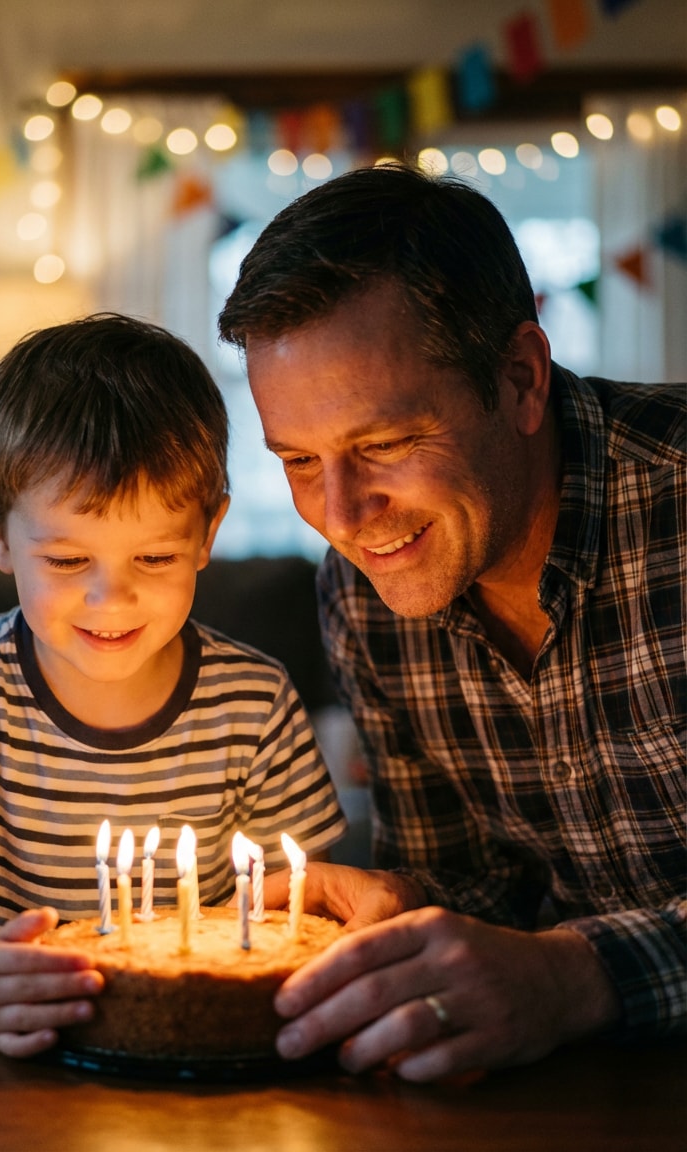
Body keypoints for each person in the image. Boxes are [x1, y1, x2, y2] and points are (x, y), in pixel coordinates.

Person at [217, 162, 685, 1082]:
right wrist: (403, 908)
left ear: (519, 379)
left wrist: (575, 976)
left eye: (384, 445)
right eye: (300, 461)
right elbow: (478, 899)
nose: (344, 516)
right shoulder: (365, 597)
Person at [0, 313, 346, 1057]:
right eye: (65, 562)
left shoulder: (254, 701)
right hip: (10, 1056)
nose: (110, 600)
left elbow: (301, 910)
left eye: (153, 559)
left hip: (199, 1052)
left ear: (208, 532)